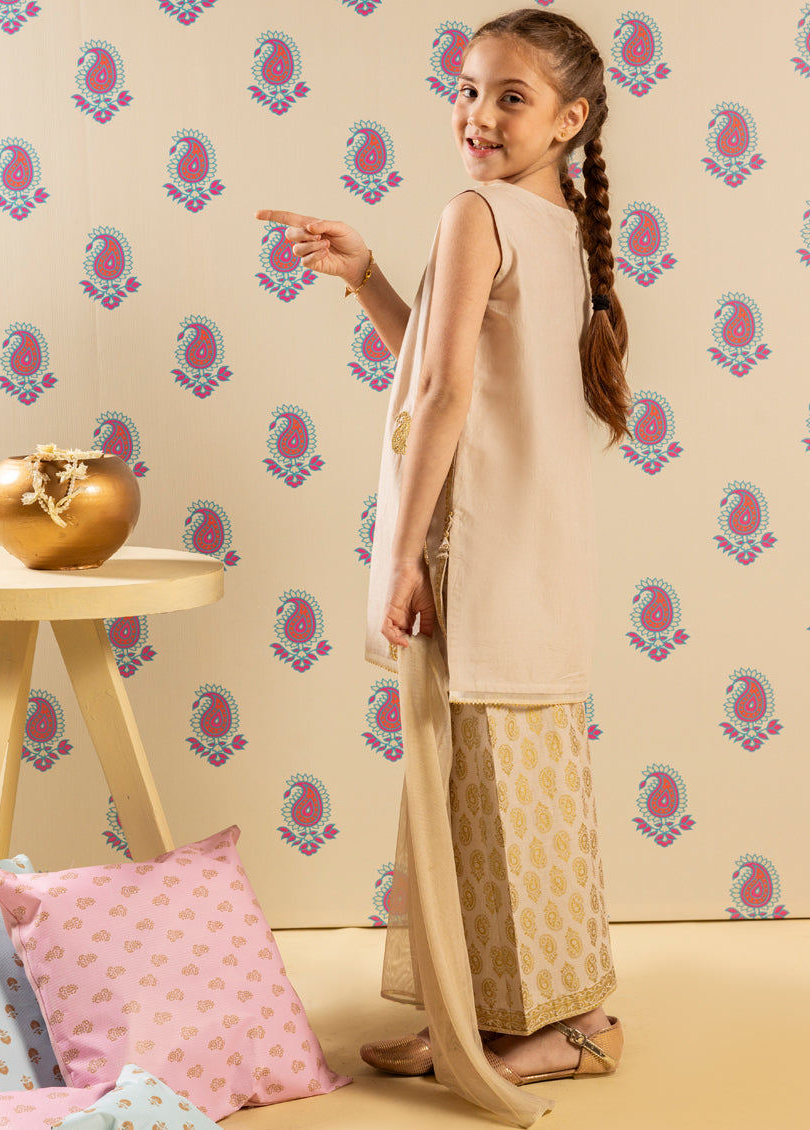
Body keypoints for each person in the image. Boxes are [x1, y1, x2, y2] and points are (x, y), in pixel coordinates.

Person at [257, 5, 629, 1098]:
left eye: (510, 96)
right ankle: (482, 1012)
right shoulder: (555, 224)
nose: (476, 114)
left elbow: (439, 391)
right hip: (537, 549)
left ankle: (581, 1025)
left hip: (476, 547)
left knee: (495, 793)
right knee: (502, 789)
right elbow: (452, 356)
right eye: (467, 89)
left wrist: (405, 549)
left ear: (568, 120)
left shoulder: (478, 212)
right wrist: (368, 276)